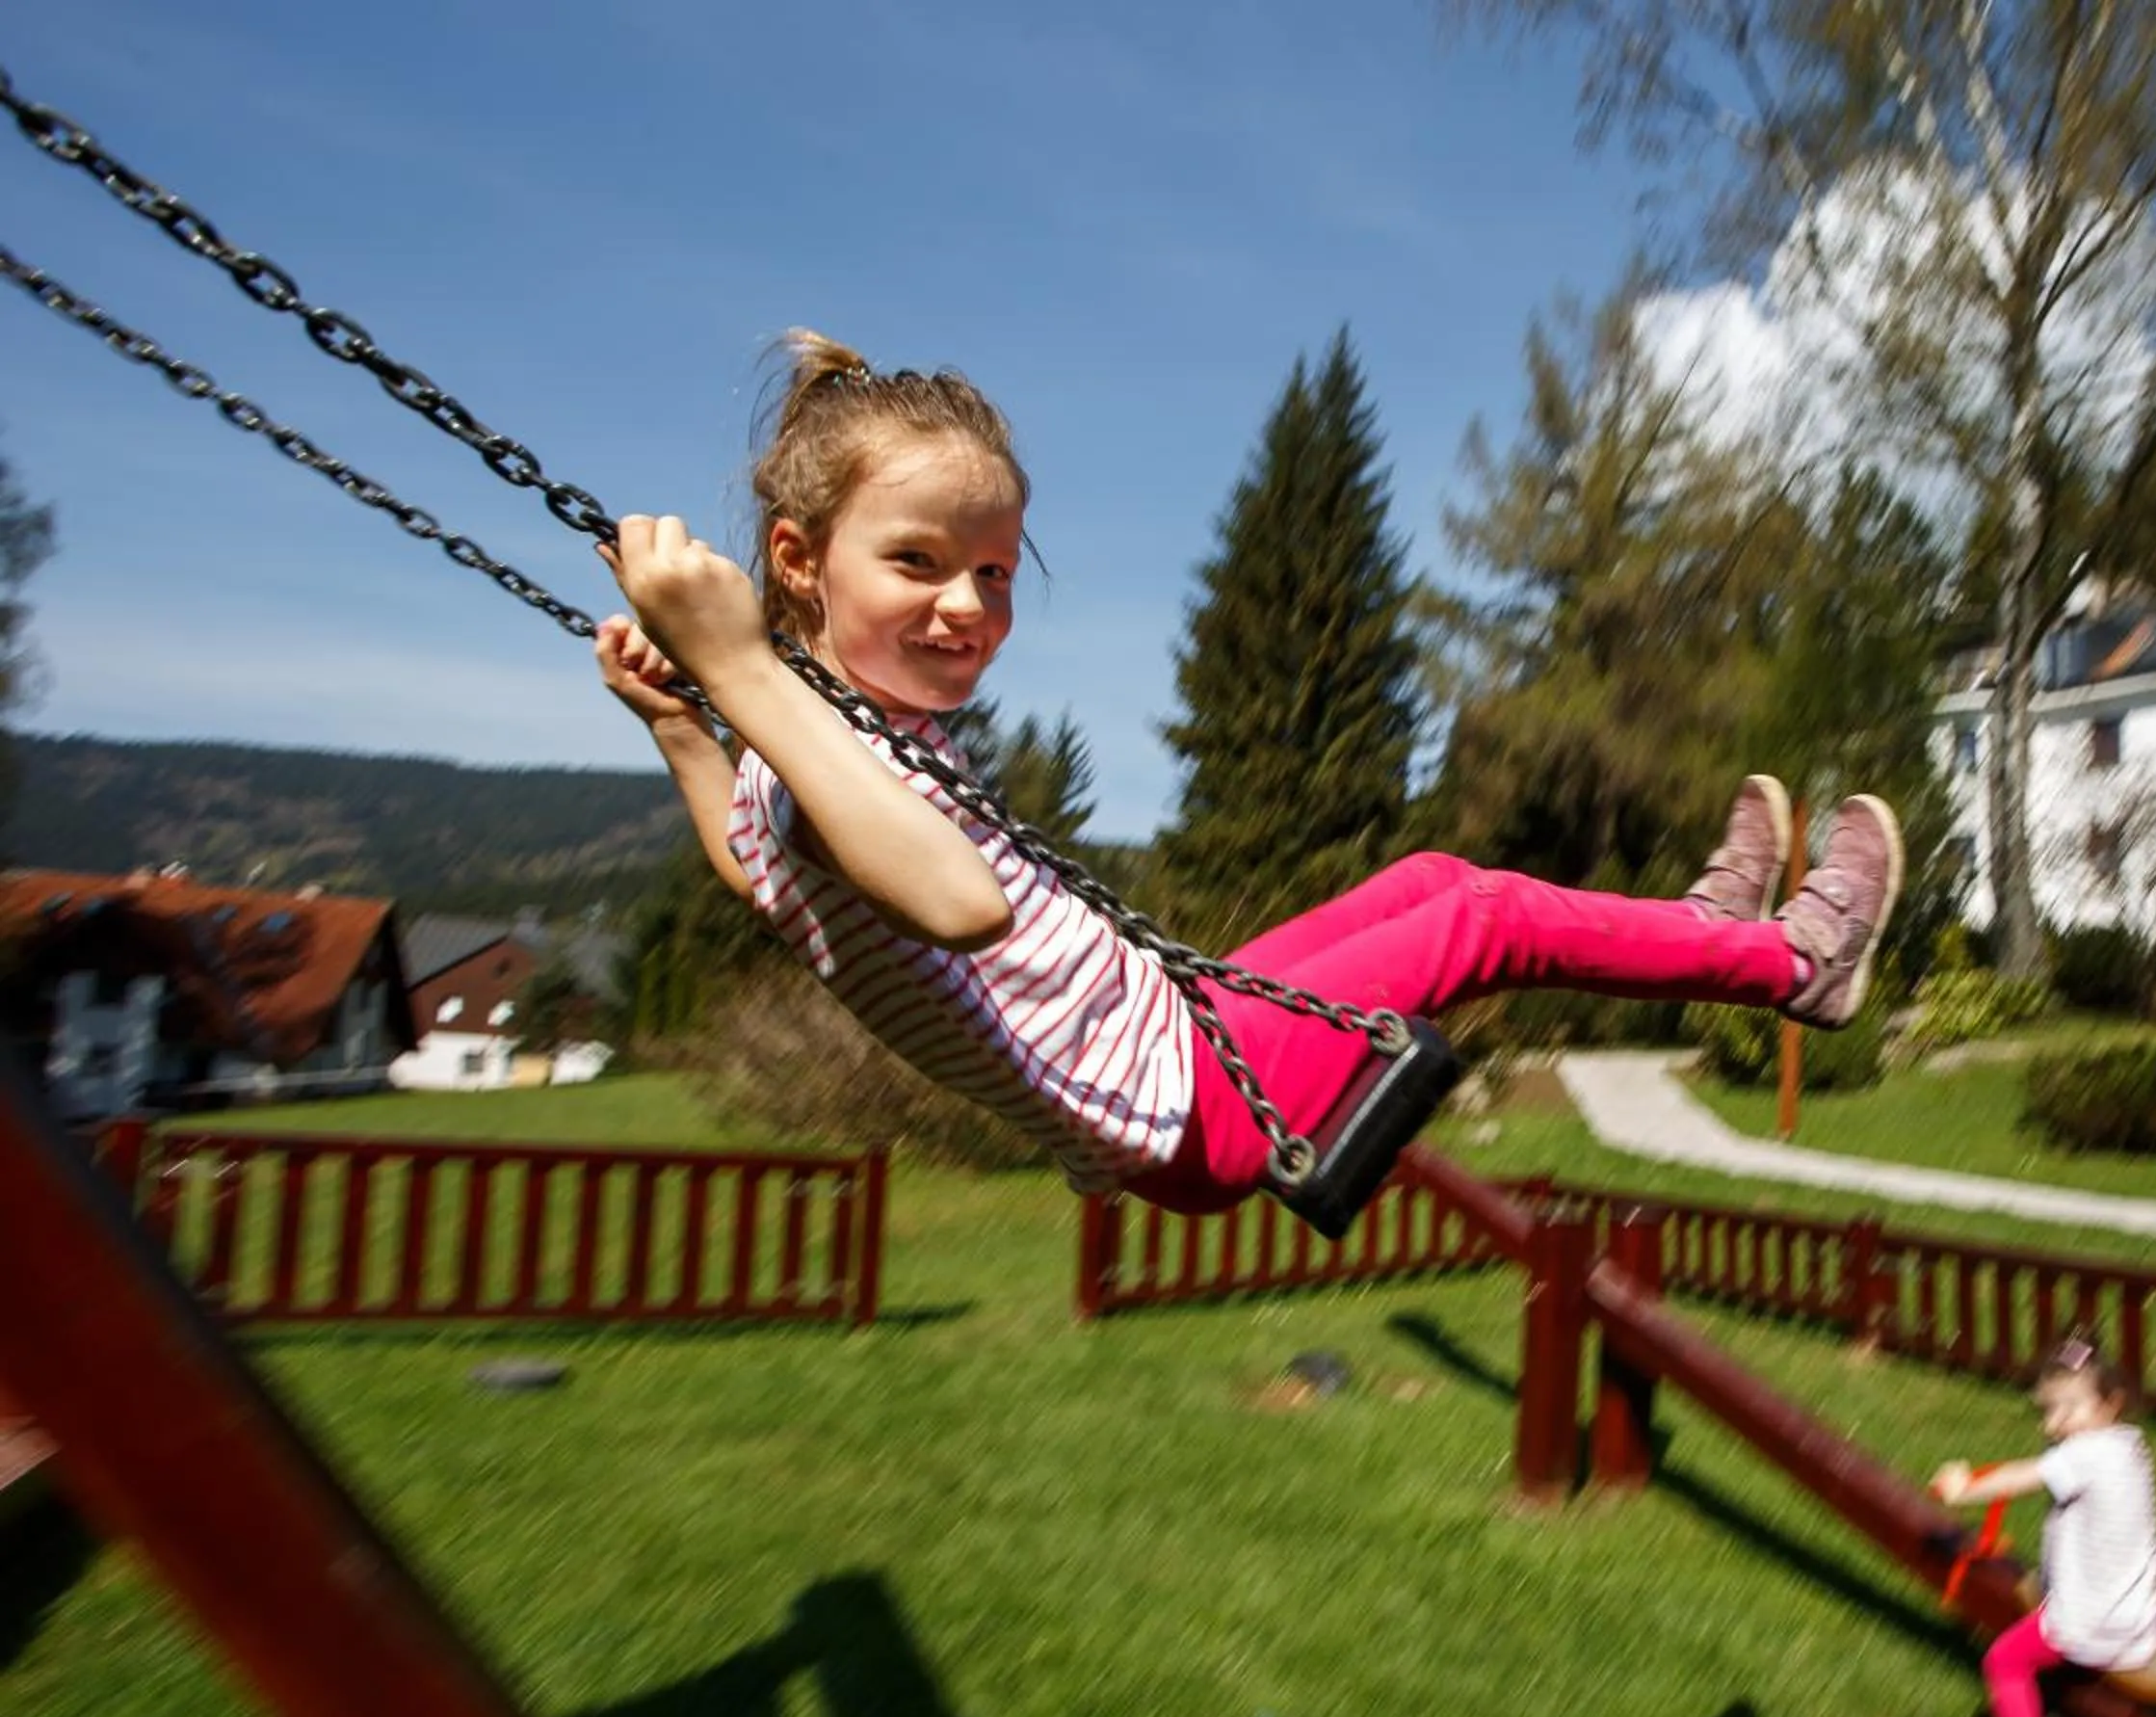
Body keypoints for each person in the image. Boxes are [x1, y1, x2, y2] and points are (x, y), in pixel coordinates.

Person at [592, 330, 1904, 1211]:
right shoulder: (830, 747)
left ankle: (1699, 938)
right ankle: (1795, 965)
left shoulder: (802, 746)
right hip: (1186, 1102)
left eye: (993, 571)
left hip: (1182, 1042)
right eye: (920, 562)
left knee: (1437, 877)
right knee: (1483, 920)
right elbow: (957, 901)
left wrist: (681, 730)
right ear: (801, 560)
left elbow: (750, 866)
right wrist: (740, 672)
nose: (968, 606)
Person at [1929, 1336, 2156, 1717]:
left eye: (2070, 1410)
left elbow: (2020, 1478)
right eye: (2048, 1411)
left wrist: (1963, 1487)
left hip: (2092, 1622)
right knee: (2039, 1607)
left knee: (2004, 1661)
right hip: (2138, 1618)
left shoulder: (2084, 1455)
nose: (2056, 1424)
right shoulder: (2127, 1445)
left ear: (2110, 1402)